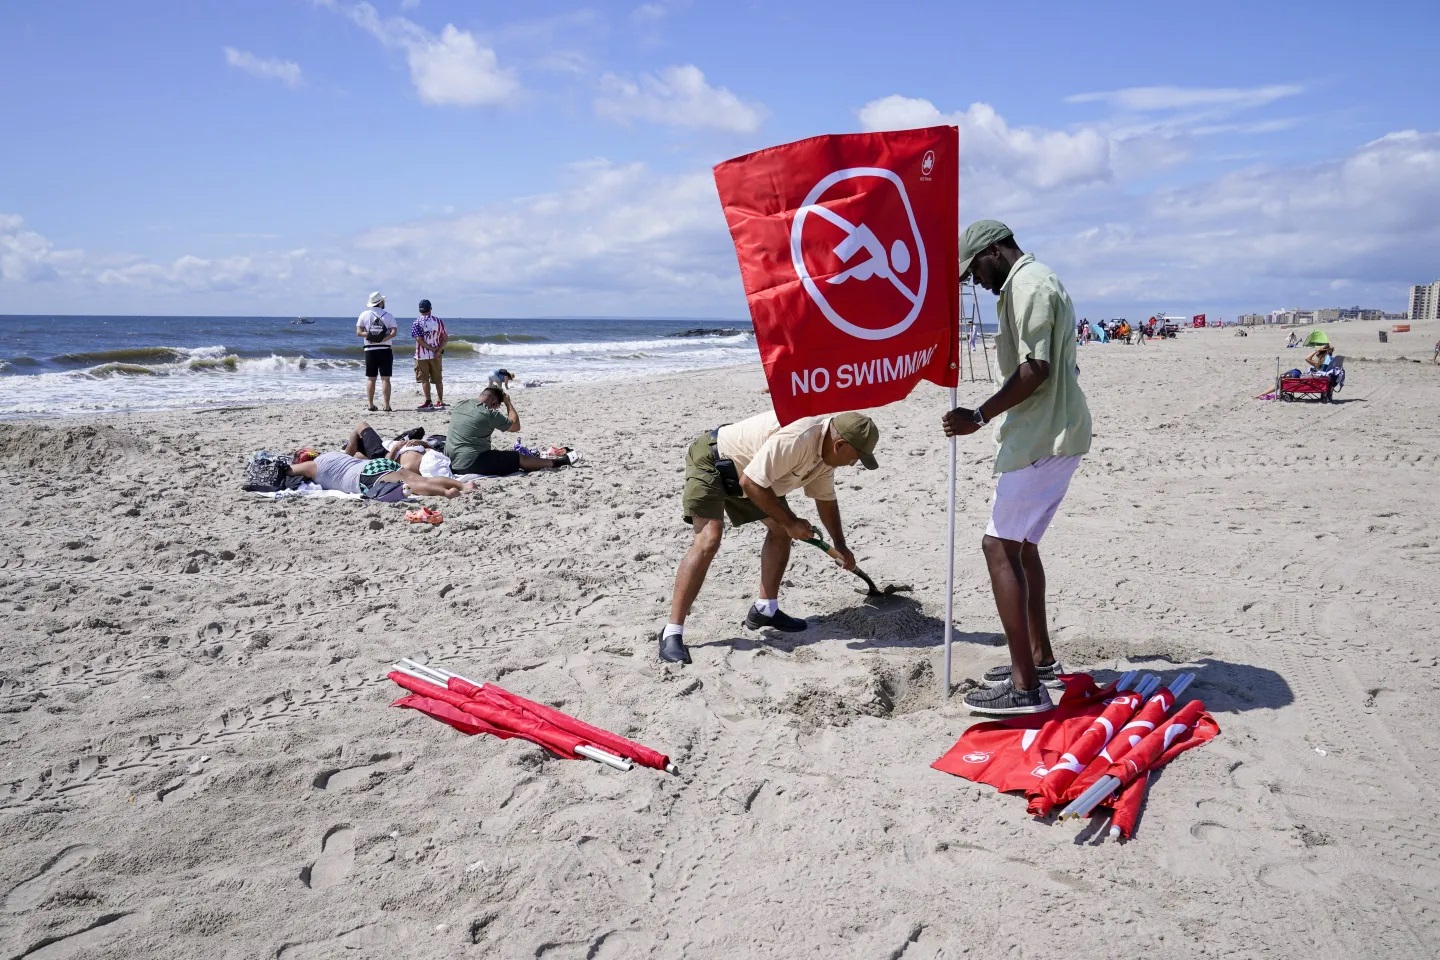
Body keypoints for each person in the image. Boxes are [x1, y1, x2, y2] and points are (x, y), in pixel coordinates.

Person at [942, 220, 1092, 716]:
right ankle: (1039, 658)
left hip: (1043, 436)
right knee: (1022, 547)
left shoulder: (1029, 283)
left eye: (974, 272)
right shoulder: (1026, 283)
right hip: (1051, 431)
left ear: (993, 251)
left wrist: (979, 415)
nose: (975, 284)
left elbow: (1037, 367)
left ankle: (1025, 688)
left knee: (998, 547)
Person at [658, 410, 879, 665]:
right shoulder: (799, 438)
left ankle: (765, 609)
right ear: (840, 444)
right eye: (855, 458)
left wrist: (840, 545)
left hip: (751, 476)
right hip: (715, 461)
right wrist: (791, 522)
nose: (853, 464)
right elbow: (750, 483)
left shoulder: (827, 456)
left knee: (781, 531)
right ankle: (671, 631)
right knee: (710, 539)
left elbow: (826, 500)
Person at [288, 421, 474, 498]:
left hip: (365, 475)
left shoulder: (312, 467)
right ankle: (463, 486)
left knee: (413, 485)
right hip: (374, 464)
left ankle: (446, 493)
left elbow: (289, 471)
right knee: (420, 479)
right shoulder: (334, 455)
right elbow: (352, 446)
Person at [446, 386, 577, 476]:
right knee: (518, 457)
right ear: (494, 402)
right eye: (498, 405)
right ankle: (559, 462)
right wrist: (508, 403)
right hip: (469, 464)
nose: (497, 409)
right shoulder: (489, 413)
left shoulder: (461, 404)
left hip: (451, 461)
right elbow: (515, 426)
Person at [357, 292, 397, 412]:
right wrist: (382, 339)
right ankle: (386, 405)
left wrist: (372, 337)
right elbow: (393, 332)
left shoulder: (364, 315)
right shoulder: (388, 315)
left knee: (371, 378)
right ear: (380, 302)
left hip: (370, 350)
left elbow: (359, 332)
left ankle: (370, 405)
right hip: (385, 349)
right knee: (385, 378)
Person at [411, 299, 448, 412]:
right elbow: (445, 338)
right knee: (438, 379)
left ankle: (428, 402)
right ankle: (440, 401)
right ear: (430, 308)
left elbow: (419, 339)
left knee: (424, 379)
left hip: (422, 355)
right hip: (436, 355)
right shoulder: (438, 321)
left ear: (420, 310)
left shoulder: (417, 322)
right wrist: (438, 350)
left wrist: (431, 349)